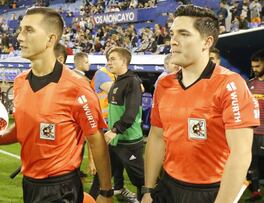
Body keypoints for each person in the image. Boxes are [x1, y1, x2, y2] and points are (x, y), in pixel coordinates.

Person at [0, 7, 113, 203]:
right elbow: (23, 129)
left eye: (29, 30)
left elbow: (96, 140)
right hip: (29, 184)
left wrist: (106, 192)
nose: (19, 37)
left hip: (62, 188)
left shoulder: (77, 87)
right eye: (20, 30)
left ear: (50, 40)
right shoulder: (20, 82)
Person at [142, 5, 260, 203]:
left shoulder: (230, 84)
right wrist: (147, 189)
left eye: (184, 34)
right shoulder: (164, 84)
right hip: (167, 186)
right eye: (172, 33)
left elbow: (240, 155)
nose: (173, 41)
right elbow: (156, 136)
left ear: (207, 42)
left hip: (210, 191)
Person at [89, 62, 138, 202]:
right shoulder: (101, 74)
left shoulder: (120, 77)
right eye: (112, 59)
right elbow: (116, 90)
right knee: (106, 167)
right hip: (104, 125)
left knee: (116, 165)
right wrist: (132, 86)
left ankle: (119, 188)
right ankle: (94, 196)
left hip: (115, 126)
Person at [104, 47, 145, 202]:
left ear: (124, 61)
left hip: (129, 141)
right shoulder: (117, 81)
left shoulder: (132, 82)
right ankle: (119, 190)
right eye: (108, 59)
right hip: (115, 139)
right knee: (111, 172)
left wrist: (115, 129)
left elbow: (131, 113)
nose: (109, 62)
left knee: (141, 179)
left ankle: (146, 199)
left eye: (113, 58)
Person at [246, 49, 264, 202]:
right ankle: (256, 191)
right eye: (253, 66)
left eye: (257, 66)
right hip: (253, 132)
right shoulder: (249, 84)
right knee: (253, 164)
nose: (255, 69)